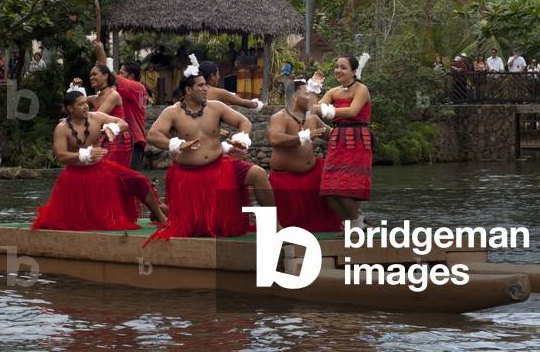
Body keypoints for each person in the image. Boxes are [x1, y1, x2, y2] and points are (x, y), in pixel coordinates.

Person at [146, 63, 274, 239]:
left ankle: (274, 224)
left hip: (220, 167)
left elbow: (244, 122)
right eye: (201, 85)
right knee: (196, 227)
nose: (206, 88)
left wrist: (241, 139)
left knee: (259, 174)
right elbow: (153, 135)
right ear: (188, 90)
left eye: (206, 84)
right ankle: (166, 211)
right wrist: (176, 144)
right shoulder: (172, 112)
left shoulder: (215, 107)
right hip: (189, 174)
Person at [32, 89, 166, 231]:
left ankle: (160, 216)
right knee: (85, 220)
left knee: (138, 179)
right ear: (70, 108)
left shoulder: (96, 117)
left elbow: (124, 123)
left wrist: (112, 128)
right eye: (80, 104)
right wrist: (84, 155)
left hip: (101, 169)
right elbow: (61, 155)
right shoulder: (62, 129)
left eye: (86, 102)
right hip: (75, 176)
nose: (86, 106)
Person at [267, 79, 340, 232]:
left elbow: (331, 134)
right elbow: (274, 138)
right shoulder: (280, 117)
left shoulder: (312, 117)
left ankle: (353, 220)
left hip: (313, 174)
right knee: (292, 227)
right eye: (306, 93)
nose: (311, 97)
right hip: (286, 179)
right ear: (294, 96)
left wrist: (354, 134)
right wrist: (302, 137)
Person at [311, 54, 373, 228]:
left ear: (354, 71)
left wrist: (329, 111)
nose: (338, 70)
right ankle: (350, 222)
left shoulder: (361, 89)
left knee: (345, 188)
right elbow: (315, 110)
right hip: (338, 140)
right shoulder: (333, 92)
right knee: (329, 191)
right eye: (337, 67)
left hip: (357, 140)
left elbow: (353, 112)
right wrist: (314, 89)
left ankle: (358, 223)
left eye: (343, 67)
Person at [94, 42, 150, 170]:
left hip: (133, 141)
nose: (119, 75)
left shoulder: (137, 87)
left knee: (127, 181)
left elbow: (110, 76)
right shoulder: (124, 90)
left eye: (122, 73)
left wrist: (101, 52)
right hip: (120, 141)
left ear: (131, 76)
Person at [86, 63, 133, 168]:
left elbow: (97, 117)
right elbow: (70, 107)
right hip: (100, 139)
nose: (91, 78)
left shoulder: (113, 95)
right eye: (90, 76)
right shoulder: (93, 98)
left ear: (105, 75)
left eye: (94, 74)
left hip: (117, 141)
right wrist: (75, 90)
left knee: (112, 174)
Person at [197, 59, 265, 111]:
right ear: (212, 76)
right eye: (218, 74)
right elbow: (244, 103)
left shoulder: (194, 90)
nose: (219, 77)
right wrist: (257, 104)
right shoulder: (217, 92)